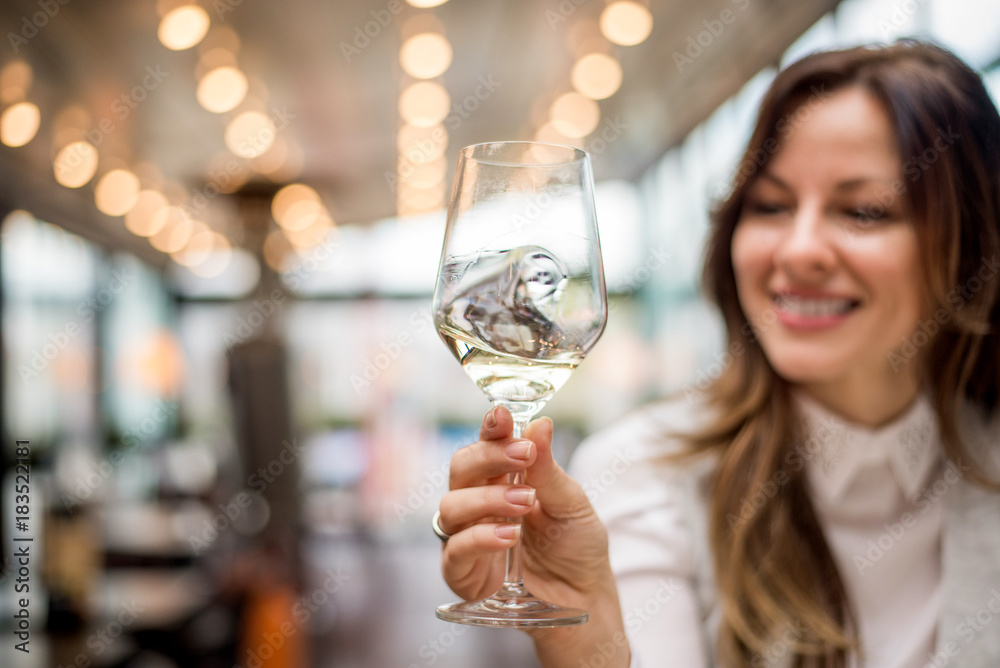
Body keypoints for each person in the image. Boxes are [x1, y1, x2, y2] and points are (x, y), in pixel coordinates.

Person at [433, 39, 1000, 668]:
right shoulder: (646, 472)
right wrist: (587, 643)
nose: (798, 250)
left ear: (971, 245)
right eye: (771, 206)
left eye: (863, 210)